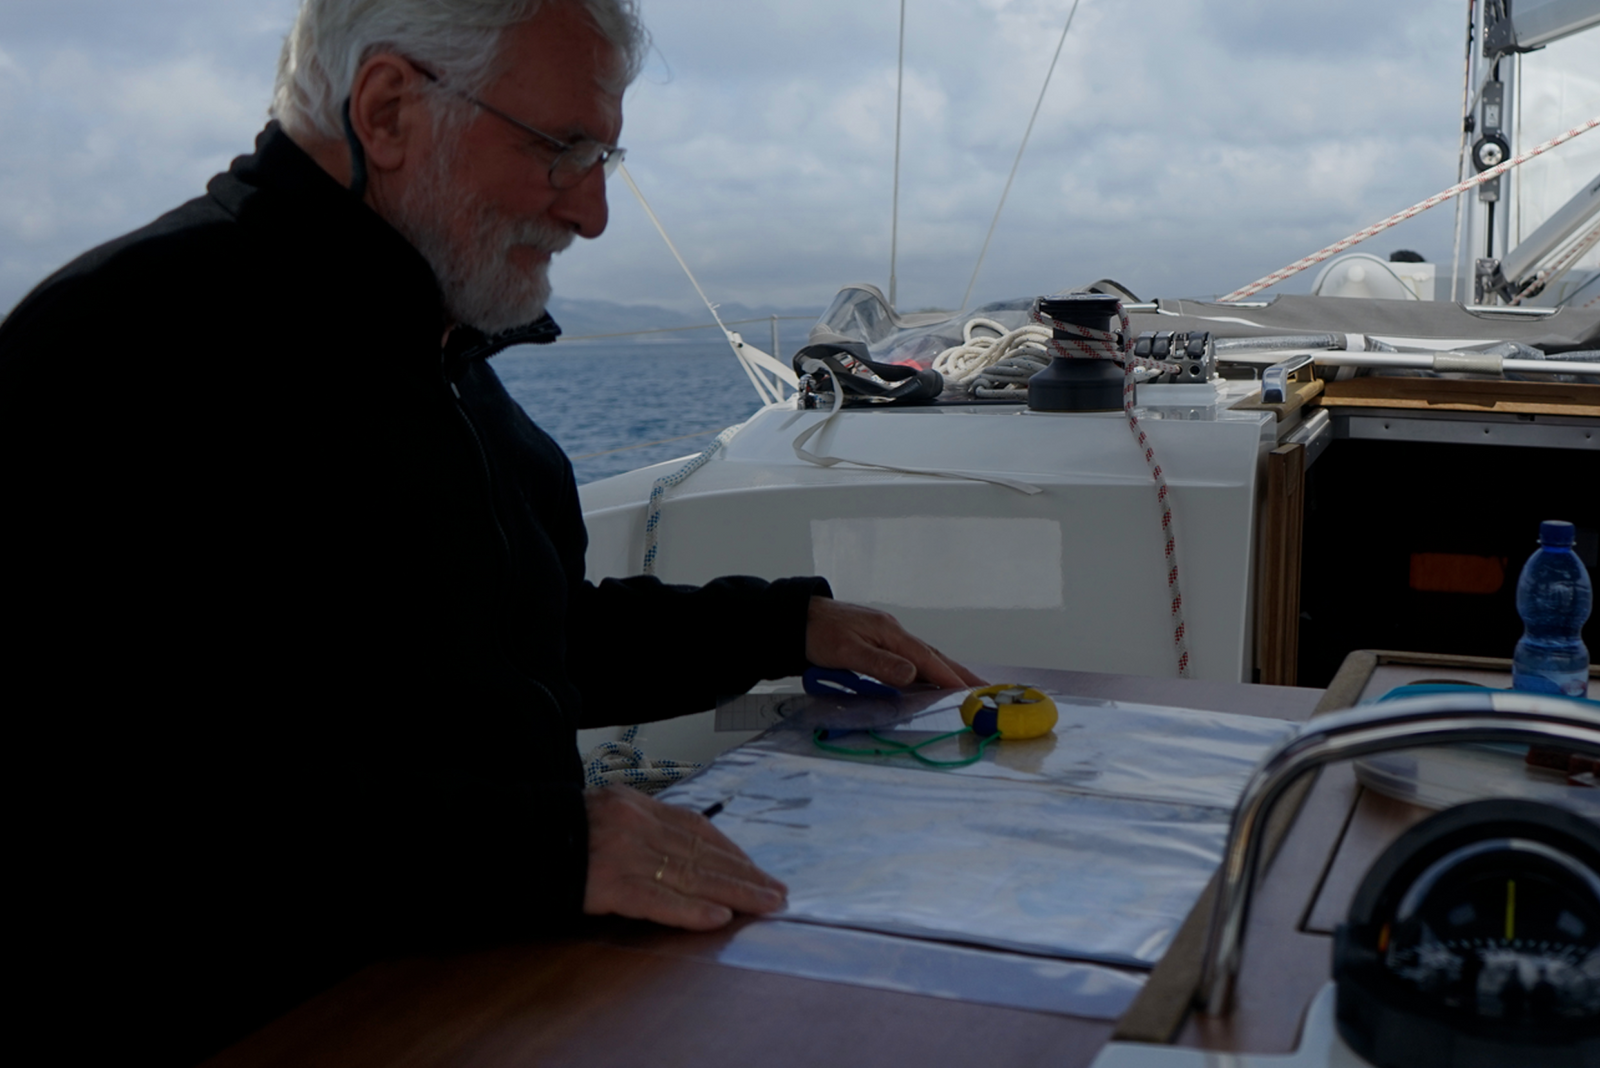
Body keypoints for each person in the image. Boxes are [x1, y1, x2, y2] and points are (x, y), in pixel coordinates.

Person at [0, 0, 980, 1062]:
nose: (594, 212)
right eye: (564, 150)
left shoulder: (438, 353)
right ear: (387, 110)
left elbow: (522, 645)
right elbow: (111, 795)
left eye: (603, 154)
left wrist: (787, 626)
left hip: (490, 980)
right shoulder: (116, 351)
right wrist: (544, 853)